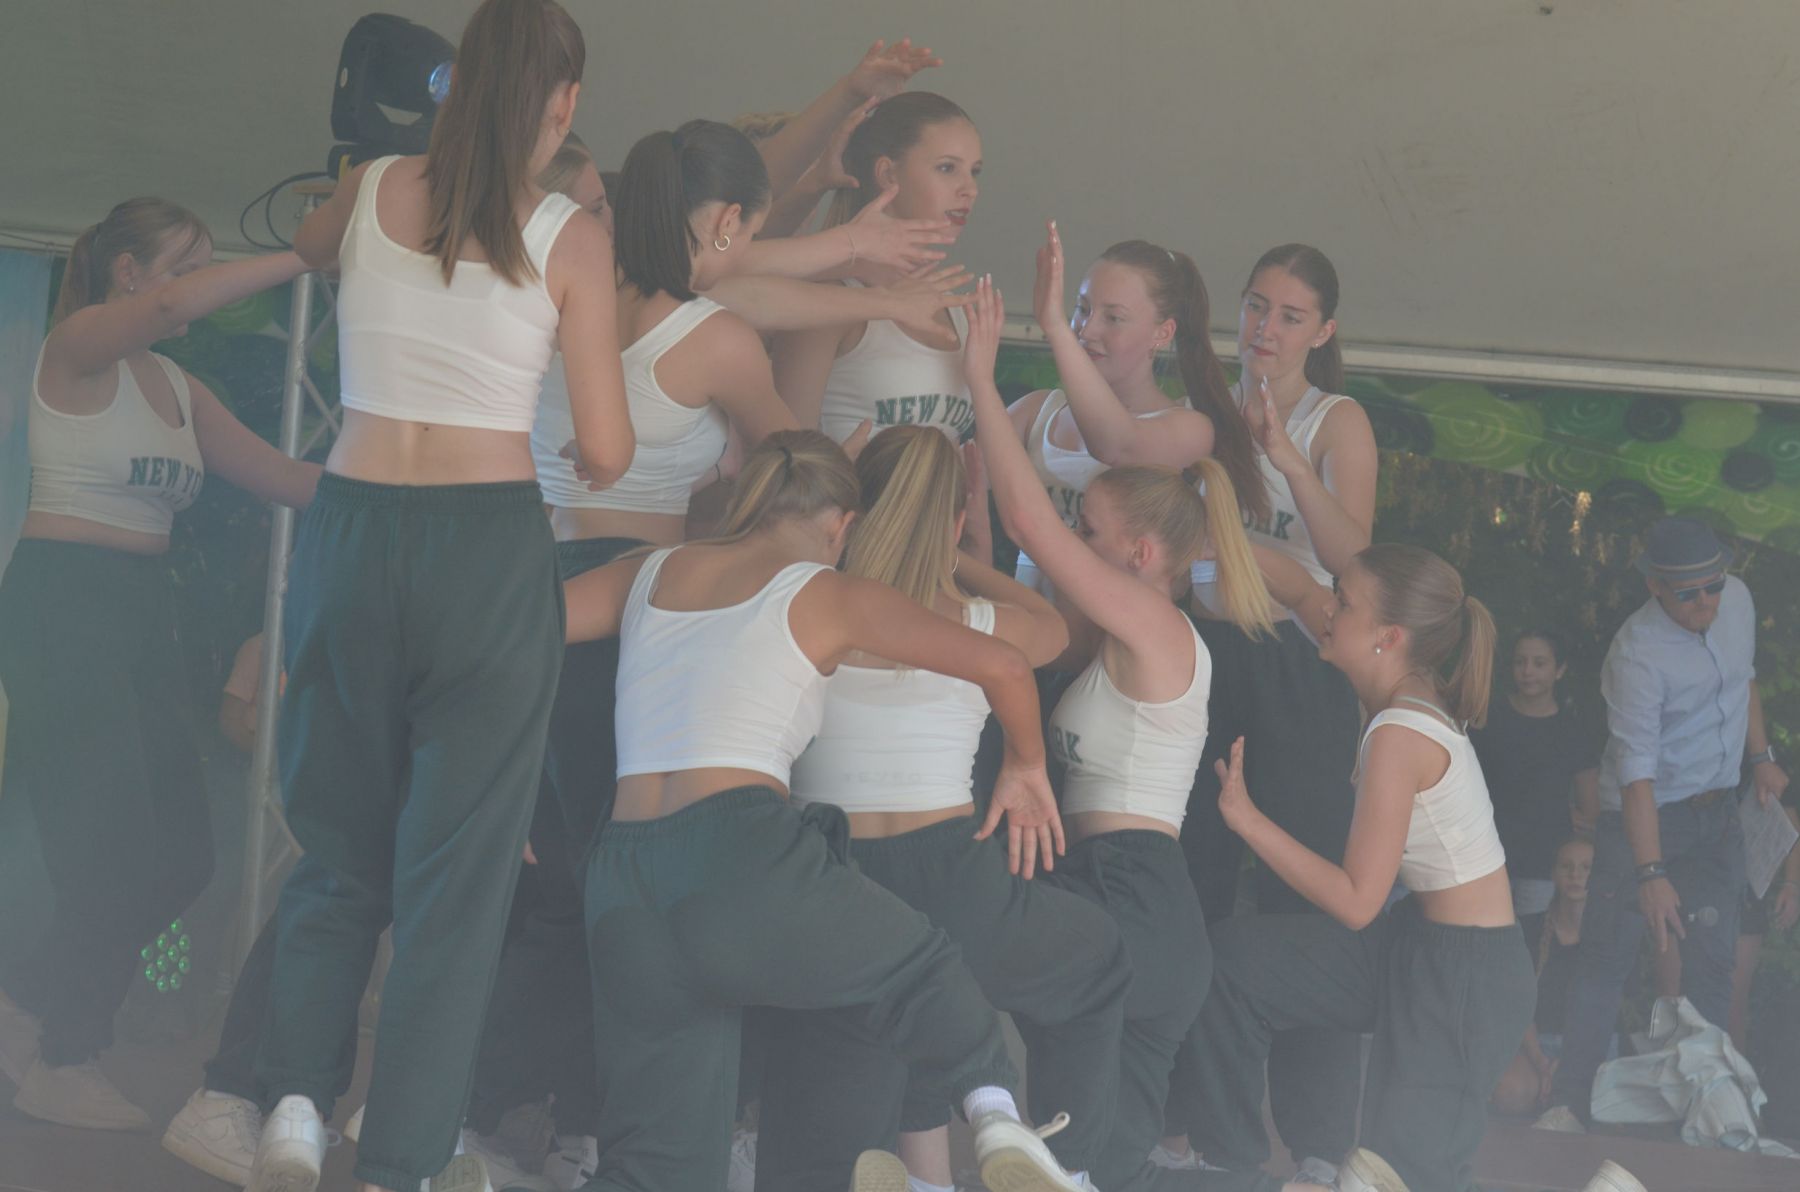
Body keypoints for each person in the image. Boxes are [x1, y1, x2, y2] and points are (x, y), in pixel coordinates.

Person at [244, 3, 633, 1190]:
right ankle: (402, 1158)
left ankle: (294, 1106)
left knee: (334, 841)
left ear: (453, 84)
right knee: (455, 881)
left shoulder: (369, 190)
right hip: (485, 549)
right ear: (564, 102)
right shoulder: (570, 236)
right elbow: (607, 448)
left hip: (354, 527)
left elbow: (308, 246)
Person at [560, 429, 1091, 1192]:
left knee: (654, 1169)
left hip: (622, 875)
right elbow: (1007, 665)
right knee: (923, 971)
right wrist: (1027, 765)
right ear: (844, 525)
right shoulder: (823, 590)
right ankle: (998, 1120)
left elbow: (518, 625)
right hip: (738, 848)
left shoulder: (653, 568)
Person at [0, 196, 318, 1132]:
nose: (195, 287)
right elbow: (171, 309)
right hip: (63, 601)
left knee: (182, 854)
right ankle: (65, 1055)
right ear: (130, 273)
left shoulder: (179, 388)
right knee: (112, 849)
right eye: (184, 266)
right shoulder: (78, 345)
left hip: (143, 609)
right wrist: (305, 257)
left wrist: (423, 485)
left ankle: (22, 1003)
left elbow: (286, 477)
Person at [753, 426, 1134, 1192]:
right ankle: (1071, 1169)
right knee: (1096, 963)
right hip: (952, 877)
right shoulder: (983, 624)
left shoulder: (802, 607)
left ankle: (918, 1177)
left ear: (854, 510)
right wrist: (950, 552)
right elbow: (1054, 625)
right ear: (954, 522)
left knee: (865, 1038)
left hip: (830, 872)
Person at [967, 275, 1276, 1191]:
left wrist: (981, 379)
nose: (1073, 536)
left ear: (1141, 556)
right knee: (1103, 1173)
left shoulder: (1157, 626)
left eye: (1089, 528)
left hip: (1129, 899)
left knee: (1059, 1153)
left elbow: (1028, 522)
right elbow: (1021, 604)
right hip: (1136, 908)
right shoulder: (1114, 640)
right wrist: (954, 551)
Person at [1184, 543, 1535, 1192]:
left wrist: (1247, 819)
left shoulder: (1400, 733)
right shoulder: (1397, 676)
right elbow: (1299, 590)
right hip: (1414, 943)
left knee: (1404, 1180)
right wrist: (1217, 537)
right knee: (1234, 962)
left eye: (1343, 603)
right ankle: (1227, 1166)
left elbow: (1355, 901)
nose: (1329, 610)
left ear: (1387, 636)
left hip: (1466, 976)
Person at [1166, 243, 1376, 1182]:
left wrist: (1286, 454)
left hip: (1302, 665)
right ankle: (1181, 1121)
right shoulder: (1206, 411)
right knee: (1191, 875)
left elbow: (1356, 559)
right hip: (1206, 654)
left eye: (1290, 315)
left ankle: (1321, 1144)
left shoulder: (1338, 418)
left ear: (1322, 330)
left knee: (1306, 888)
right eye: (1256, 306)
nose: (1267, 328)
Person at [1539, 516, 1787, 1133]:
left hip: (1718, 813)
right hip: (1643, 816)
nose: (1707, 601)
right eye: (1689, 592)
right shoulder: (1637, 654)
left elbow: (1745, 682)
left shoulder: (1739, 602)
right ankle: (1567, 1105)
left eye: (1714, 585)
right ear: (1654, 586)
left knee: (1714, 964)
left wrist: (1761, 757)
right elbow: (1636, 777)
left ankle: (1706, 1109)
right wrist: (1650, 873)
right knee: (1608, 957)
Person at [1007, 222, 1262, 597]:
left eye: (1113, 318)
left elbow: (1116, 447)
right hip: (1029, 623)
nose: (1086, 330)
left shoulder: (1189, 428)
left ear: (1163, 332)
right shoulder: (1037, 410)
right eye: (1081, 309)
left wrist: (1057, 329)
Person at [771, 92, 983, 446]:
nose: (970, 189)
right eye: (947, 168)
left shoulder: (959, 312)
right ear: (887, 174)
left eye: (975, 171)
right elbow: (787, 460)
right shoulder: (826, 303)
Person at [1471, 630, 1602, 914]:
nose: (1528, 671)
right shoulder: (1487, 719)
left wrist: (1567, 816)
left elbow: (1589, 807)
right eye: (1520, 662)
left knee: (1535, 935)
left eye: (1539, 663)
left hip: (1545, 863)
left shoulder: (1573, 730)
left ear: (1560, 669)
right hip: (1487, 859)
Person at [1492, 837, 1594, 1116]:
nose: (1575, 875)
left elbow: (1618, 1015)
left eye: (1586, 868)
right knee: (1510, 1091)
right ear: (1553, 873)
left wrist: (1571, 1060)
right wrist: (1540, 1061)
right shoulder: (1528, 929)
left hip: (1592, 1049)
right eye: (1566, 866)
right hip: (1535, 1045)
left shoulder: (1611, 937)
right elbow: (1515, 1003)